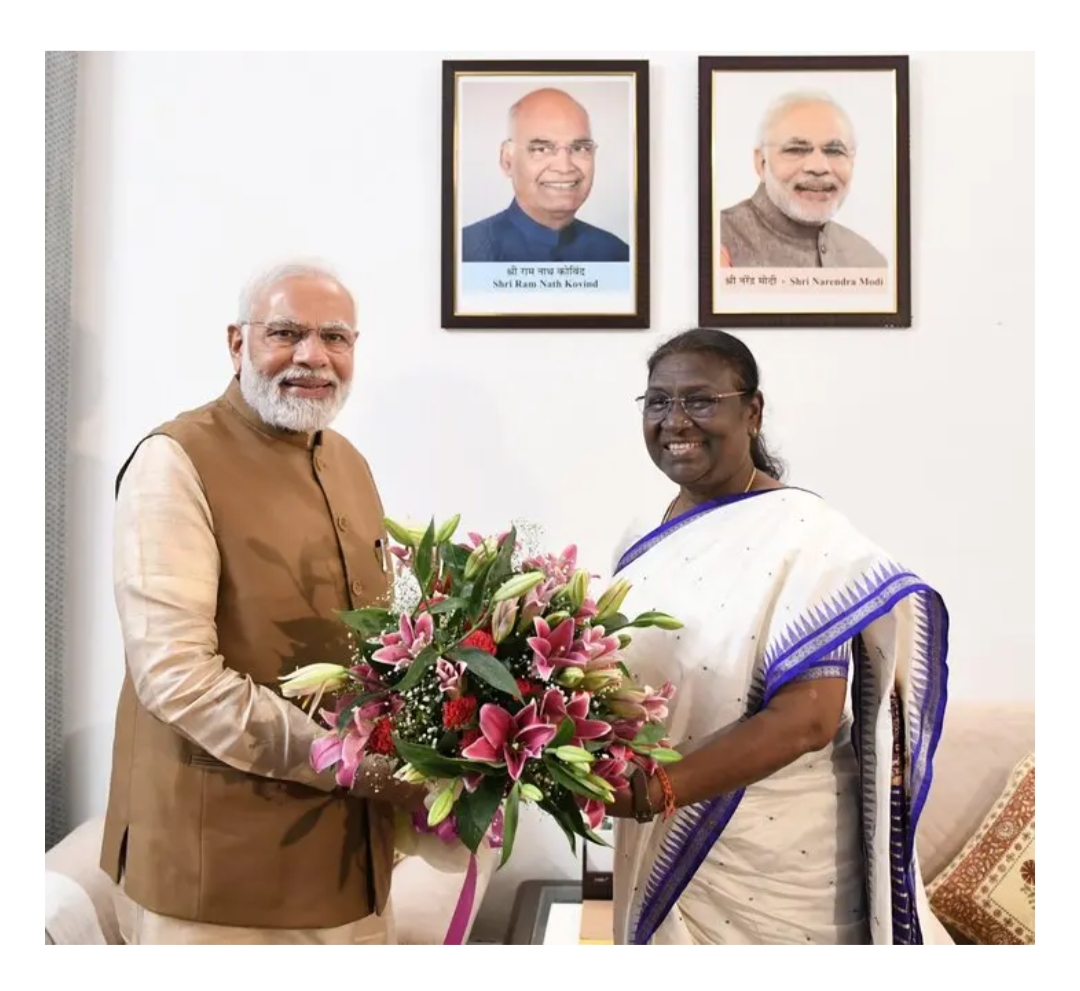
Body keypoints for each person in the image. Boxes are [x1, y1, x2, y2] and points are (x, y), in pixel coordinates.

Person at [98, 261, 426, 944]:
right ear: (236, 342)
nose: (313, 356)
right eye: (285, 333)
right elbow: (177, 679)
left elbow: (381, 646)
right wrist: (352, 762)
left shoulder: (349, 462)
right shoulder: (175, 460)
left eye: (335, 337)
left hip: (354, 866)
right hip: (219, 877)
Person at [605, 328, 949, 945]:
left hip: (776, 860)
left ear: (753, 411)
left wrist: (660, 791)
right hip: (660, 837)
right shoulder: (640, 534)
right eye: (658, 402)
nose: (675, 421)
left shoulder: (806, 538)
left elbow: (807, 720)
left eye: (700, 400)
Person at [461, 87, 630, 263]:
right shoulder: (464, 254)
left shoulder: (617, 255)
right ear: (507, 161)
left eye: (579, 148)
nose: (564, 167)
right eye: (541, 149)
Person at [719, 91, 887, 268]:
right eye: (796, 149)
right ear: (762, 163)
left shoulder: (869, 261)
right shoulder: (716, 240)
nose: (818, 167)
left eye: (834, 151)